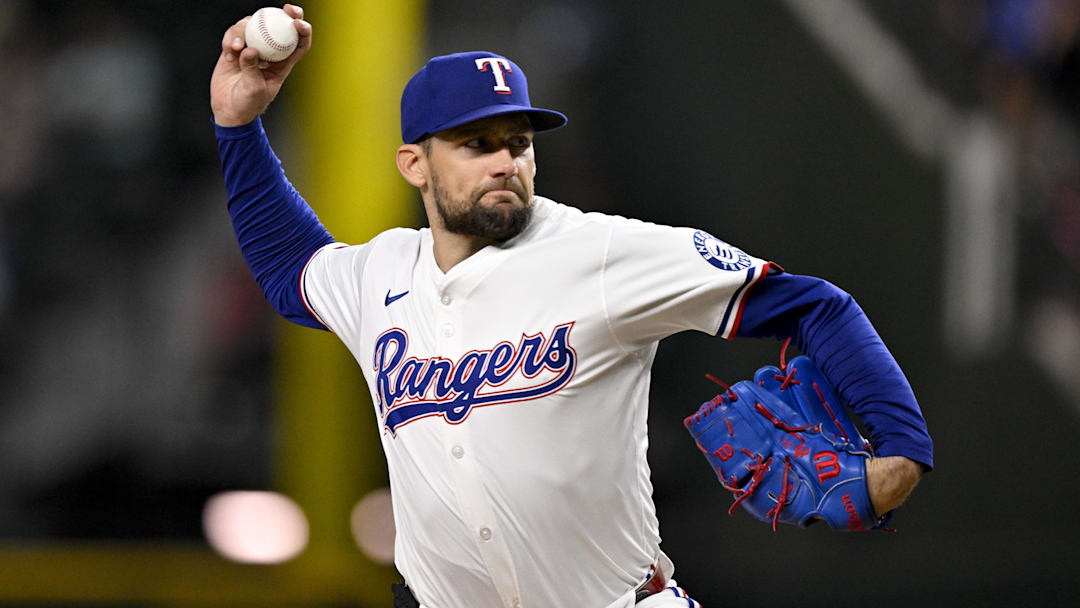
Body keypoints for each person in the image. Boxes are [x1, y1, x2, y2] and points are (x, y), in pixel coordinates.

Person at [210, 5, 933, 607]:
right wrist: (238, 126)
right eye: (476, 143)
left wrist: (902, 451)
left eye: (518, 142)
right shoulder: (381, 274)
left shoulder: (604, 253)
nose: (506, 161)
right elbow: (290, 265)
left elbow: (817, 306)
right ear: (415, 164)